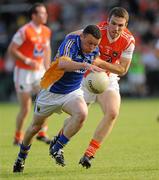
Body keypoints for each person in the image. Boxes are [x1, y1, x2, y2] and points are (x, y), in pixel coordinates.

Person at [13, 24, 105, 173]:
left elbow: (95, 61)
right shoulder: (70, 43)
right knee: (35, 127)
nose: (92, 47)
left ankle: (57, 147)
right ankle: (21, 157)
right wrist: (85, 65)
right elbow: (62, 64)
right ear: (81, 36)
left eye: (95, 45)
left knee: (82, 113)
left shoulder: (94, 50)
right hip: (51, 91)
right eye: (89, 43)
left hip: (72, 92)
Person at [51, 7, 135, 168]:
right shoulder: (97, 30)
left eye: (120, 25)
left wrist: (100, 63)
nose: (116, 28)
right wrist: (62, 55)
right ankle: (59, 141)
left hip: (106, 79)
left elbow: (123, 69)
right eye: (113, 23)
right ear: (107, 21)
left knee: (112, 112)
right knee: (79, 116)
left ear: (126, 25)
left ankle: (89, 154)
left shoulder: (128, 40)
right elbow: (71, 36)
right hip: (85, 76)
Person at [8, 3, 52, 145]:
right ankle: (17, 136)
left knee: (47, 100)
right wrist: (27, 60)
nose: (45, 15)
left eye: (45, 13)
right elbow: (12, 49)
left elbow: (47, 51)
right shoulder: (25, 31)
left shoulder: (46, 31)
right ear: (34, 16)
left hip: (39, 72)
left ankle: (43, 132)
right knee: (26, 108)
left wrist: (48, 69)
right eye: (41, 13)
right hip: (23, 73)